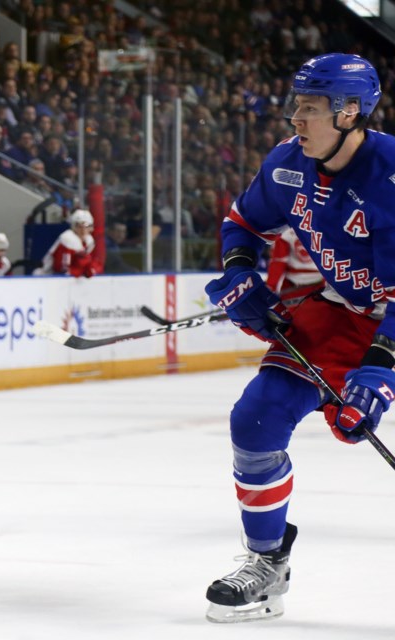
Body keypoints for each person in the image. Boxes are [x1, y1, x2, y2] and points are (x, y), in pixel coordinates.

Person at [202, 53, 393, 623]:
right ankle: (266, 564)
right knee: (255, 420)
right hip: (343, 316)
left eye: (310, 109)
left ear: (350, 112)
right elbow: (243, 224)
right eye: (297, 106)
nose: (296, 120)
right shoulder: (289, 165)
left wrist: (381, 368)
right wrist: (240, 273)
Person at [265, 227, 324, 307]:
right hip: (320, 285)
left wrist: (270, 291)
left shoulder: (285, 229)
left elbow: (278, 263)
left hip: (292, 288)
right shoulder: (327, 227)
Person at [36, 209, 98, 277]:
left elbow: (92, 263)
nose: (83, 230)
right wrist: (81, 271)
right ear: (74, 226)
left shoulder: (89, 241)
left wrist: (89, 269)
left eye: (86, 226)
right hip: (46, 277)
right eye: (79, 226)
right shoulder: (67, 239)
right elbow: (61, 269)